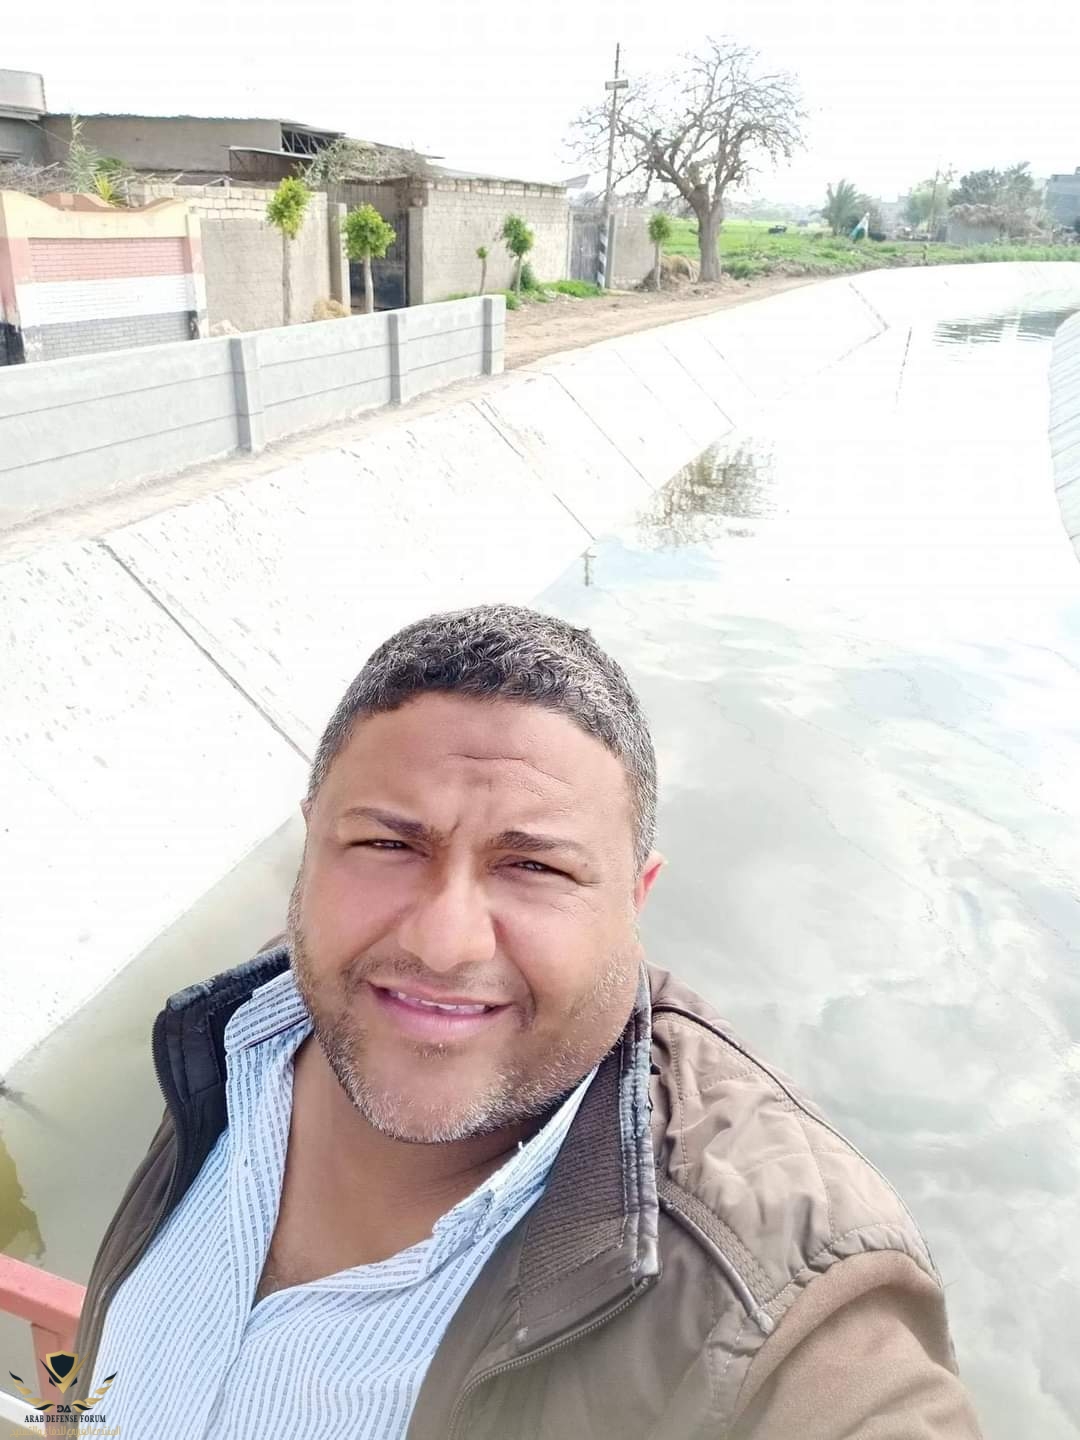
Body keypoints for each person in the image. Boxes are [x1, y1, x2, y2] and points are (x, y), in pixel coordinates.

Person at [71, 603, 982, 1438]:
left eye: (535, 868)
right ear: (312, 844)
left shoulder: (765, 1293)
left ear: (634, 898)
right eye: (387, 844)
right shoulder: (240, 1036)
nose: (443, 943)